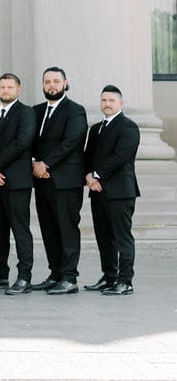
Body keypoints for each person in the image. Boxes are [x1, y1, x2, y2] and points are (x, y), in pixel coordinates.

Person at [31, 66, 88, 295]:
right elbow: (30, 140)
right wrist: (36, 162)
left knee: (67, 229)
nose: (51, 85)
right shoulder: (36, 111)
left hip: (66, 182)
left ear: (65, 83)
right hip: (41, 179)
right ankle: (55, 273)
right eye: (47, 81)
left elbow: (71, 141)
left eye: (56, 81)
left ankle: (69, 277)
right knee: (49, 229)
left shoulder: (75, 110)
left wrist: (47, 164)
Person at [84, 85, 140, 296]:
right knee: (103, 237)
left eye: (111, 101)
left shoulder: (129, 127)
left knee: (121, 237)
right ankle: (109, 277)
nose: (107, 104)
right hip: (97, 191)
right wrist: (89, 176)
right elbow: (87, 156)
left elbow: (121, 156)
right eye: (104, 100)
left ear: (121, 103)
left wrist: (96, 175)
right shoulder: (96, 128)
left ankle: (126, 281)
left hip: (120, 192)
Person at [0, 72, 36, 295]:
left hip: (17, 182)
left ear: (18, 90)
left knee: (20, 230)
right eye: (2, 87)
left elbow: (21, 142)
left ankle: (24, 277)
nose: (5, 91)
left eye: (10, 87)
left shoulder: (26, 113)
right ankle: (0, 273)